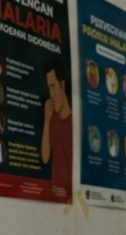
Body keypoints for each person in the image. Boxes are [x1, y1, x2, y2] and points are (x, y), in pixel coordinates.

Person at [40, 56, 72, 196]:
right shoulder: (52, 120)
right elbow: (45, 157)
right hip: (55, 194)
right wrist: (47, 121)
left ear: (63, 86)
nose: (51, 94)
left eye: (53, 87)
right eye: (49, 88)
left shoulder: (73, 123)